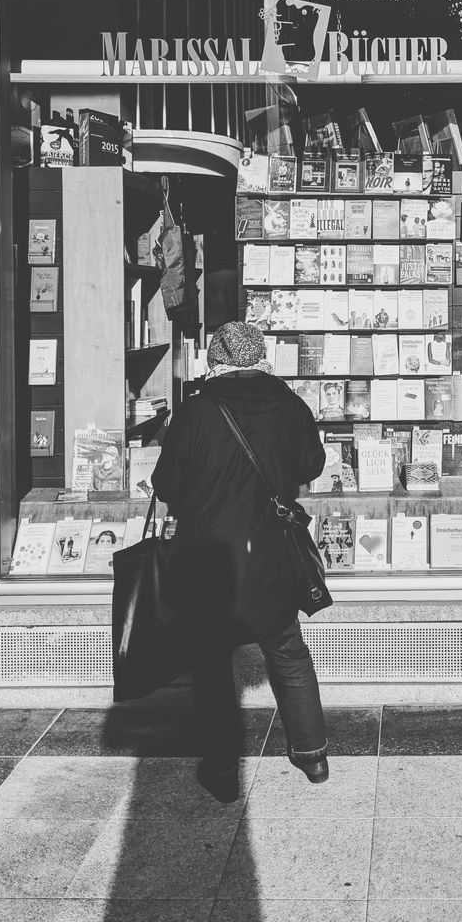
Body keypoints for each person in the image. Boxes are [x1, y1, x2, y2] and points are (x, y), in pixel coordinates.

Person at [151, 320, 328, 803]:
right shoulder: (290, 404)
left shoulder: (196, 412)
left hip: (208, 558)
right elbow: (312, 464)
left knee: (210, 664)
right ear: (261, 356)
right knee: (287, 649)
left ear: (215, 359)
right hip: (270, 552)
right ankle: (312, 755)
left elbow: (167, 484)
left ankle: (223, 769)